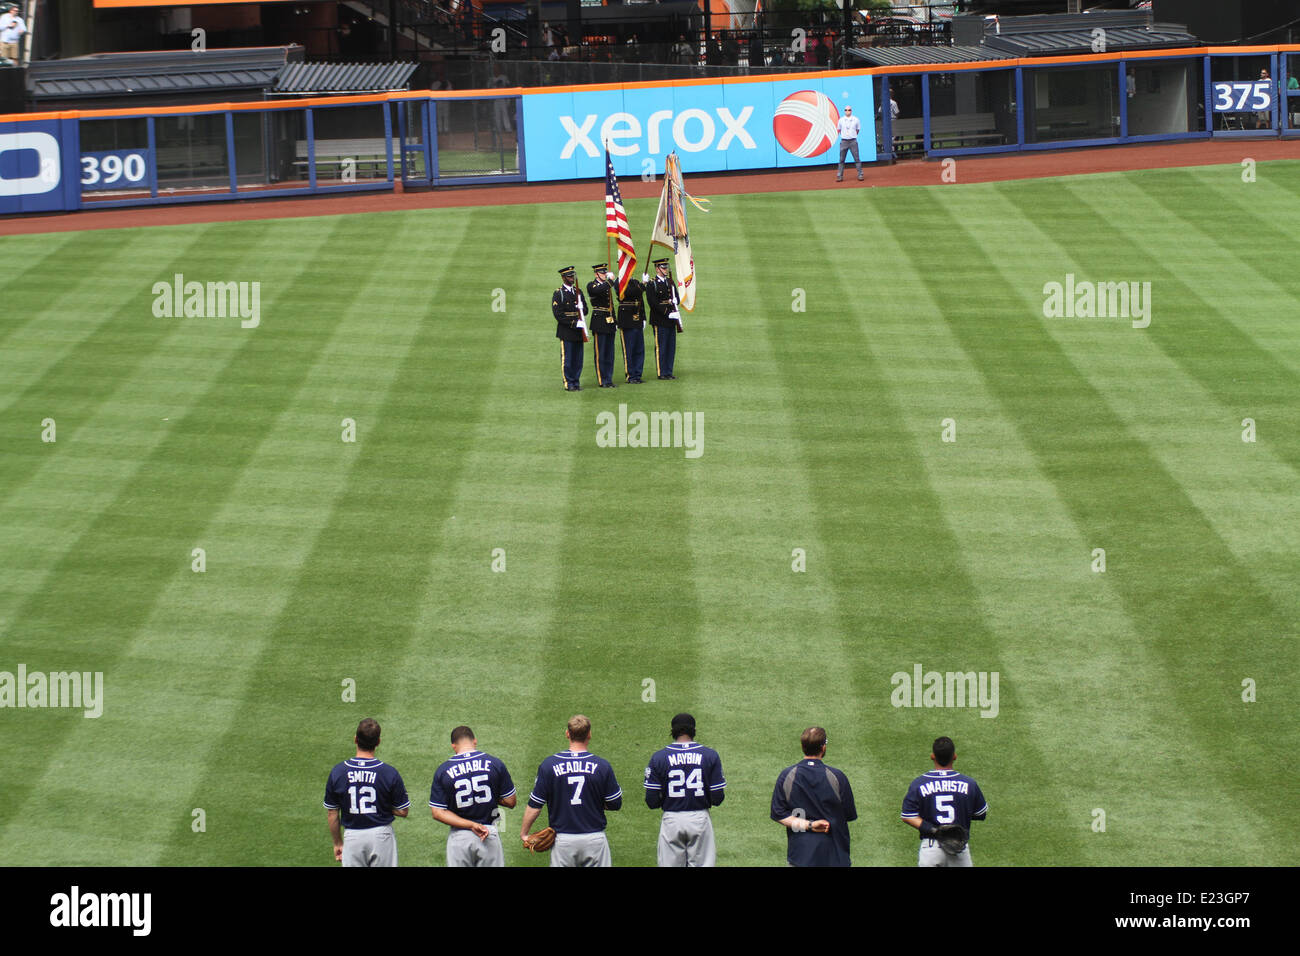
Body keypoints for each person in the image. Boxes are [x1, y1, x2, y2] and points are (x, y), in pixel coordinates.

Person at [521, 715, 623, 867]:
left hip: (563, 842)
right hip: (594, 840)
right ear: (589, 734)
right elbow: (615, 803)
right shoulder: (602, 766)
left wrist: (524, 833)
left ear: (567, 734)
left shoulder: (549, 765)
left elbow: (535, 806)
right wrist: (593, 802)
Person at [323, 718, 410, 866]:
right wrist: (379, 804)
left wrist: (338, 843)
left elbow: (332, 814)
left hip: (353, 837)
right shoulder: (389, 772)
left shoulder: (338, 772)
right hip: (381, 836)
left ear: (355, 739)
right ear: (378, 742)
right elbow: (403, 811)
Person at [643, 712, 726, 866]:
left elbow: (651, 801)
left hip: (671, 820)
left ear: (673, 731)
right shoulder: (710, 755)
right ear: (693, 730)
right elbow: (718, 797)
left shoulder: (659, 757)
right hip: (700, 818)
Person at [428, 725, 517, 867]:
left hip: (459, 838)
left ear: (453, 746)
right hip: (488, 833)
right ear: (474, 741)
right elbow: (511, 801)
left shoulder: (443, 770)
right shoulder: (495, 763)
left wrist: (471, 825)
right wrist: (492, 794)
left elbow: (437, 813)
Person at [770, 726, 856, 867]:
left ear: (802, 747)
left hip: (800, 858)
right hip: (835, 858)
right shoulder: (837, 777)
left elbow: (779, 815)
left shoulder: (787, 775)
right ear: (823, 748)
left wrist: (809, 825)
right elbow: (848, 814)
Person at [900, 735, 988, 867]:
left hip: (931, 849)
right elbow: (981, 814)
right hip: (959, 848)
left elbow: (908, 816)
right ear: (954, 756)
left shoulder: (919, 783)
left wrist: (934, 830)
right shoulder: (969, 783)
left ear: (932, 756)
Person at [552, 265, 588, 391]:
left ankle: (576, 381)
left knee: (578, 359)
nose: (572, 278)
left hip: (578, 331)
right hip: (567, 331)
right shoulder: (559, 293)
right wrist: (574, 323)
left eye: (572, 276)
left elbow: (586, 311)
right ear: (563, 278)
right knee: (567, 359)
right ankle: (568, 382)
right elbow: (558, 315)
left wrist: (581, 307)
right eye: (569, 276)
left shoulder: (578, 292)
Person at [645, 258, 681, 380]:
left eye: (666, 267)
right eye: (663, 268)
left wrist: (675, 301)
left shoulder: (669, 282)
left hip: (671, 319)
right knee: (661, 346)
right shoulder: (652, 283)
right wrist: (667, 312)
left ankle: (669, 371)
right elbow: (653, 303)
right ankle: (662, 372)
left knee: (671, 346)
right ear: (657, 268)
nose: (666, 270)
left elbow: (677, 297)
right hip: (659, 319)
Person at [586, 263, 618, 388]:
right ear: (596, 274)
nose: (604, 274)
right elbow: (598, 290)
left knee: (610, 353)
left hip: (609, 322)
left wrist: (615, 321)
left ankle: (608, 379)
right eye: (602, 273)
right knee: (601, 352)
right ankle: (602, 379)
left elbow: (611, 305)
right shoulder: (592, 285)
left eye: (605, 272)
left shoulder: (606, 286)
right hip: (599, 322)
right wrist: (610, 281)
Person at [616, 270, 647, 383]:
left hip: (637, 318)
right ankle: (631, 375)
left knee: (639, 349)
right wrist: (643, 284)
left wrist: (643, 317)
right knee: (629, 348)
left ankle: (638, 374)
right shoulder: (619, 282)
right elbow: (629, 292)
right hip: (626, 319)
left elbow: (640, 300)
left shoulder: (635, 282)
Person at [836, 103, 863, 182]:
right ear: (844, 111)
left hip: (853, 141)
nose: (847, 111)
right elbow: (839, 130)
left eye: (849, 110)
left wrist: (852, 135)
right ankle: (839, 176)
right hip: (844, 141)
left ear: (851, 111)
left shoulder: (856, 119)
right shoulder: (841, 120)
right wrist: (845, 136)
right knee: (841, 159)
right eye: (846, 110)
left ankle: (860, 174)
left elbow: (858, 129)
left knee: (857, 158)